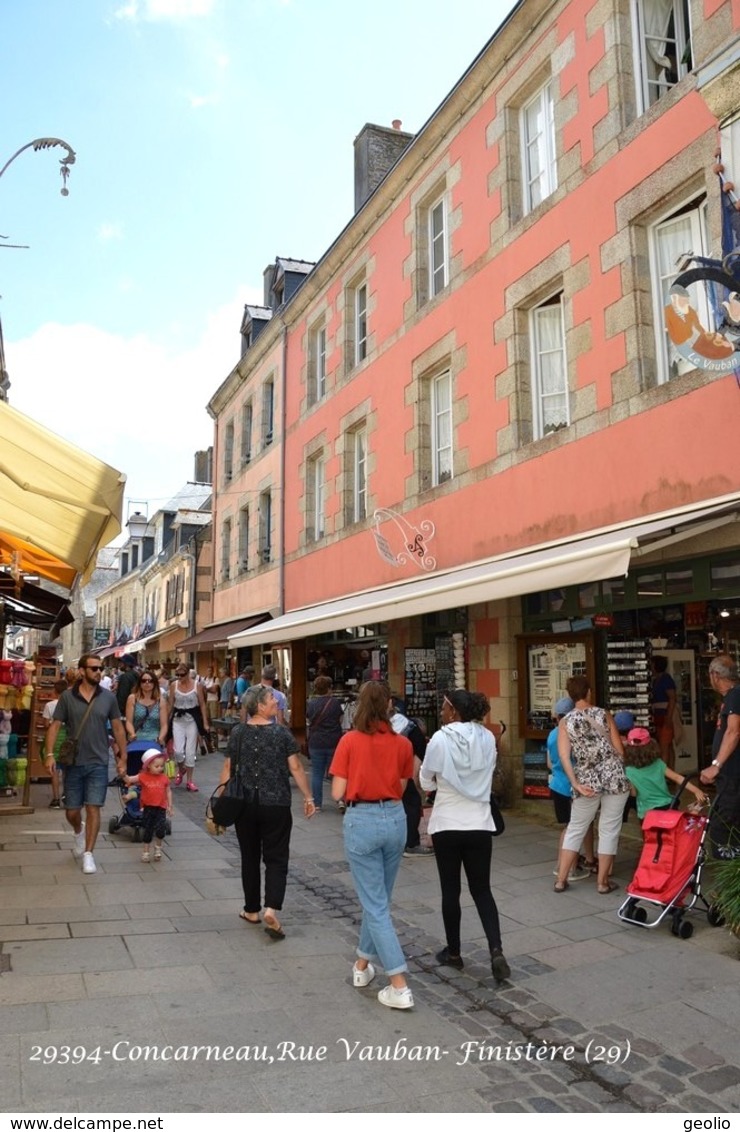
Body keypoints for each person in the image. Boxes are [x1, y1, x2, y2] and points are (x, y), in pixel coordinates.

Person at [330, 681, 415, 1010]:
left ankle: (399, 984)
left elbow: (337, 792)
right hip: (394, 818)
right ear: (390, 704)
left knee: (376, 904)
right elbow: (404, 784)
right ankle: (362, 967)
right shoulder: (403, 744)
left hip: (362, 819)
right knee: (378, 899)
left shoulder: (349, 741)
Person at [419, 689, 511, 982]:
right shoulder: (487, 738)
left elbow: (425, 778)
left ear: (454, 712)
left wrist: (438, 781)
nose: (443, 712)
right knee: (482, 889)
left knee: (451, 890)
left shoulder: (440, 739)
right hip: (479, 822)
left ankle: (455, 952)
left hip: (447, 822)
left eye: (445, 708)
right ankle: (496, 948)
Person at [218, 685, 315, 938]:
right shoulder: (281, 734)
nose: (276, 701)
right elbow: (295, 766)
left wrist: (221, 800)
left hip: (245, 806)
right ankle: (271, 907)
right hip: (276, 804)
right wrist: (308, 796)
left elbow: (228, 768)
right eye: (272, 698)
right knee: (276, 858)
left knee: (249, 857)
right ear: (260, 706)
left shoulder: (238, 733)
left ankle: (251, 910)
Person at [44, 654, 128, 875]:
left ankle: (89, 854)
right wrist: (49, 754)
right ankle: (78, 829)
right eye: (94, 669)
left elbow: (118, 728)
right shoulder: (67, 698)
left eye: (100, 668)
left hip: (99, 761)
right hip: (73, 762)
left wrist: (123, 758)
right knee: (72, 810)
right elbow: (54, 726)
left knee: (93, 807)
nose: (99, 672)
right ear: (82, 671)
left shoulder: (108, 697)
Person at [554, 676, 630, 895]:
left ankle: (561, 879)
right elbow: (620, 750)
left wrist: (575, 782)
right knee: (609, 829)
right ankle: (602, 882)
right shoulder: (603, 714)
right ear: (588, 692)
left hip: (586, 780)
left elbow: (564, 756)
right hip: (613, 776)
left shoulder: (565, 722)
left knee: (576, 828)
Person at [547, 697, 591, 881]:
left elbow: (549, 762)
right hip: (572, 785)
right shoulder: (573, 732)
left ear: (557, 716)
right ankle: (567, 867)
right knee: (572, 828)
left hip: (557, 783)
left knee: (568, 826)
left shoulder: (552, 734)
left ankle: (565, 865)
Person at [700, 655, 740, 859]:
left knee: (720, 825)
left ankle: (728, 882)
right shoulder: (732, 697)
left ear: (715, 675)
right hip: (731, 775)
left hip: (732, 775)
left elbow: (733, 732)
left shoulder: (735, 695)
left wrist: (716, 765)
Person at [623, 727, 706, 822]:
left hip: (647, 813)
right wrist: (696, 790)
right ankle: (695, 810)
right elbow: (677, 777)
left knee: (651, 837)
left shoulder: (628, 771)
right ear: (651, 746)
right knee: (670, 835)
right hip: (667, 806)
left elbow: (634, 793)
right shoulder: (658, 764)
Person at [388, 698, 431, 857]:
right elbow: (420, 751)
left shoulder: (364, 727)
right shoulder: (410, 727)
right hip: (401, 774)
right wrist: (414, 776)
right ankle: (410, 843)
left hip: (377, 776)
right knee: (411, 803)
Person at [123, 748, 173, 863]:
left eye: (161, 766)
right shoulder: (143, 776)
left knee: (161, 830)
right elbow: (130, 779)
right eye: (157, 766)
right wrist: (123, 774)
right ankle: (146, 851)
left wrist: (170, 805)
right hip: (148, 807)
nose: (160, 768)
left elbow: (168, 791)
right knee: (148, 829)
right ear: (149, 766)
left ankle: (158, 849)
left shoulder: (164, 778)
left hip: (161, 807)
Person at [168, 662, 210, 791]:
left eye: (182, 674)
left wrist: (205, 722)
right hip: (177, 720)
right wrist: (165, 722)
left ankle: (190, 781)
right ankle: (181, 770)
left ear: (188, 674)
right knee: (178, 751)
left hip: (192, 720)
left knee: (190, 752)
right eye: (177, 675)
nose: (179, 677)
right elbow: (170, 705)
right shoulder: (173, 686)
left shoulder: (197, 686)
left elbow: (202, 705)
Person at [306, 675, 344, 811]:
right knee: (336, 772)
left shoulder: (311, 704)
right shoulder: (335, 703)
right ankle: (340, 800)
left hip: (316, 742)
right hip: (333, 741)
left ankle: (317, 804)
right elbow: (340, 720)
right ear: (329, 688)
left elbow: (309, 720)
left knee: (317, 773)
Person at [42, 679, 68, 808]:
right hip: (67, 739)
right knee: (67, 770)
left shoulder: (49, 705)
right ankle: (67, 795)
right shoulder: (70, 705)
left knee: (55, 770)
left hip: (54, 738)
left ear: (55, 691)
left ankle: (56, 799)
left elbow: (46, 724)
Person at [124, 670, 168, 747]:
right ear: (139, 683)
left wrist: (161, 738)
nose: (147, 683)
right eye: (143, 681)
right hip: (136, 738)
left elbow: (164, 725)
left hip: (155, 739)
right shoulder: (132, 698)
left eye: (150, 681)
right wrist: (132, 733)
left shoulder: (161, 701)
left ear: (154, 683)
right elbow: (128, 722)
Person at [651, 656, 677, 770]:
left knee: (664, 745)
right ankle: (671, 770)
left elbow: (672, 698)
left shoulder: (666, 679)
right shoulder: (656, 679)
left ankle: (664, 774)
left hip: (664, 715)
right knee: (668, 745)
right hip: (658, 715)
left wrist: (669, 716)